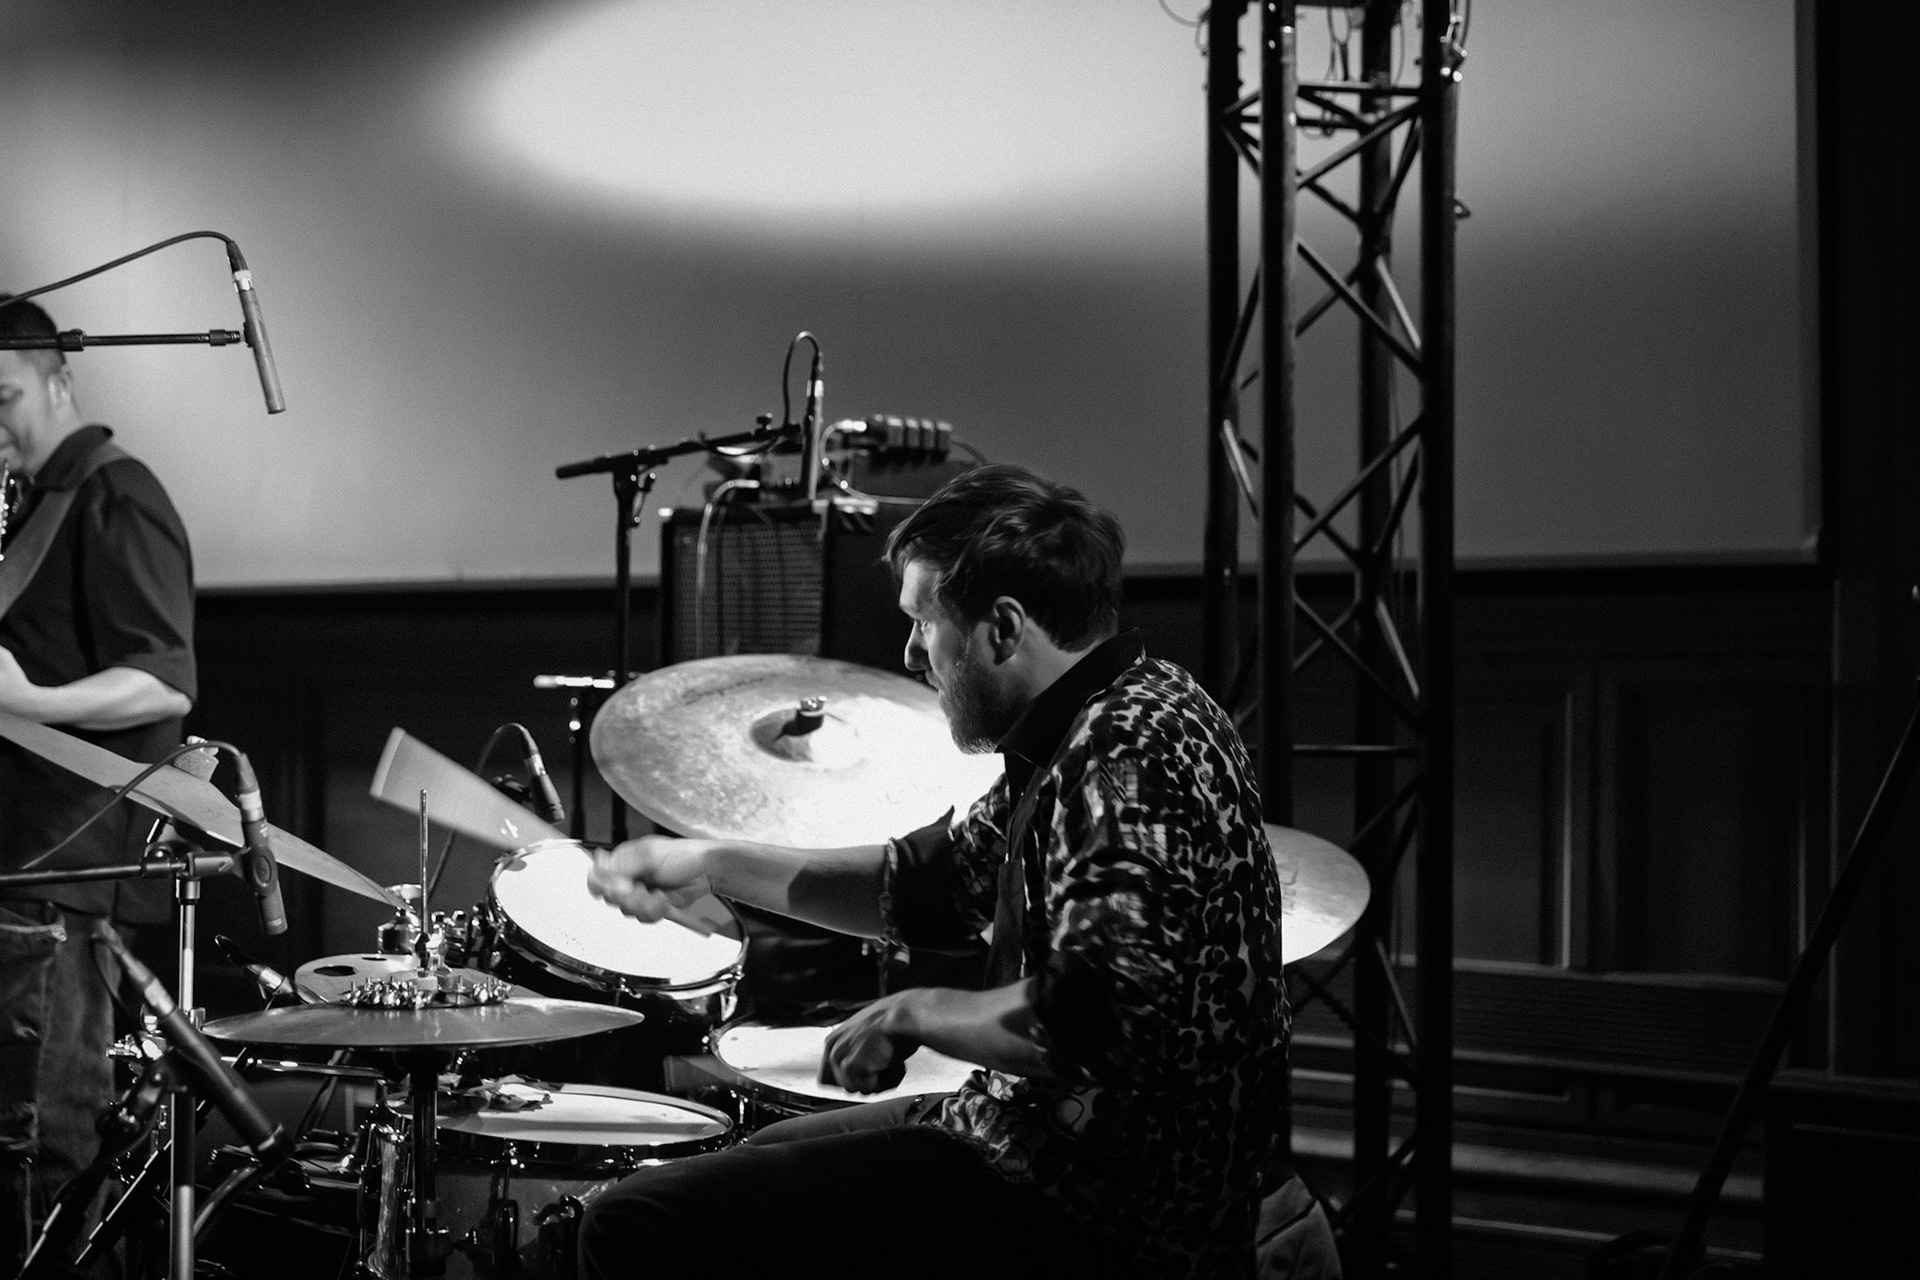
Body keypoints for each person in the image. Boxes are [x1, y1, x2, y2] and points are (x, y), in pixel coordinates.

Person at [582, 463, 1292, 1279]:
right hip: (1033, 1138)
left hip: (1098, 1207)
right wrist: (707, 862)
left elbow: (1101, 1019)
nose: (913, 653)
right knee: (747, 1158)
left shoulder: (1122, 753)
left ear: (1002, 628)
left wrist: (914, 1011)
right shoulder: (1109, 711)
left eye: (925, 622)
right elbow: (925, 888)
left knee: (637, 1222)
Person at [0, 295, 197, 1273]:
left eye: (5, 397)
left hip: (63, 879)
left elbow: (163, 677)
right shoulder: (27, 508)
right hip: (21, 877)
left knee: (52, 1151)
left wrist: (28, 699)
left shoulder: (116, 490)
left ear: (60, 381)